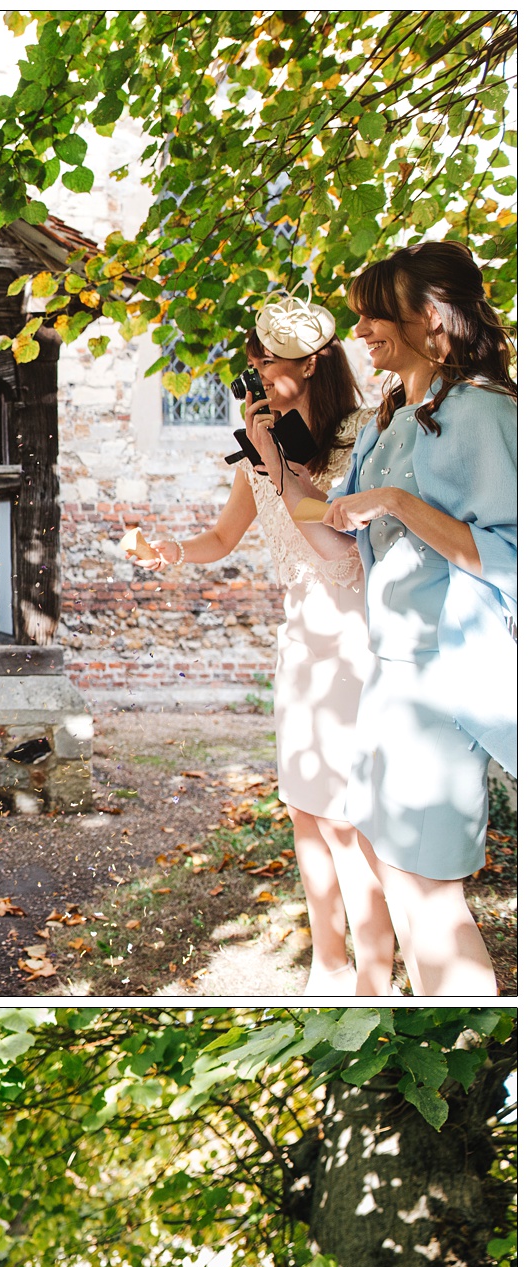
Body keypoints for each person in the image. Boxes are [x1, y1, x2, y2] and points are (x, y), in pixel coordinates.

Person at [131, 298, 390, 993]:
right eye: (249, 367)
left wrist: (276, 455)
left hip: (356, 636)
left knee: (346, 818)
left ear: (308, 365)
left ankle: (375, 968)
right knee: (305, 807)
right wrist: (170, 551)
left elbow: (338, 539)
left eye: (262, 365)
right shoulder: (259, 447)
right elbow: (222, 538)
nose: (250, 380)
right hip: (302, 641)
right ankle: (328, 962)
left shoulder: (363, 434)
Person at [320, 241, 517, 996]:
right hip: (390, 673)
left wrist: (398, 504)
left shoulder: (487, 415)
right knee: (389, 873)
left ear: (430, 318)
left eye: (376, 314)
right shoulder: (395, 414)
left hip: (443, 679)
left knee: (430, 899)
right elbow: (338, 519)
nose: (362, 330)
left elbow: (511, 555)